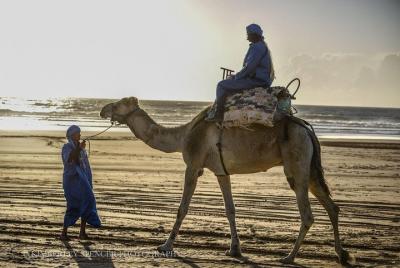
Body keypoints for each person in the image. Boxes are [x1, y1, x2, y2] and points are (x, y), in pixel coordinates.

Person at [206, 23, 275, 122]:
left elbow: (249, 68)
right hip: (260, 79)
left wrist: (236, 77)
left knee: (221, 85)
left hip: (257, 80)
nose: (247, 36)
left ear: (253, 34)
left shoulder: (257, 48)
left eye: (248, 33)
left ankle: (219, 114)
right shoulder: (261, 46)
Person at [60, 125, 101, 240]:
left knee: (87, 202)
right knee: (72, 205)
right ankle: (64, 233)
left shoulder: (80, 148)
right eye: (78, 133)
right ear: (72, 135)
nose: (80, 135)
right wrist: (79, 148)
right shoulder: (66, 147)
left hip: (83, 180)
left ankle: (82, 233)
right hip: (71, 181)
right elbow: (69, 159)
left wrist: (88, 179)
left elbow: (85, 166)